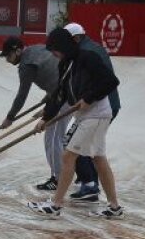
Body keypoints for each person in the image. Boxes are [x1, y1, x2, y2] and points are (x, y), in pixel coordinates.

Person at [28, 27, 123, 218]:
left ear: (63, 46)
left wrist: (88, 98)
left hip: (97, 113)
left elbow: (111, 81)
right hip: (85, 116)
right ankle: (114, 208)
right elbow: (60, 94)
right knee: (98, 158)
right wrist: (46, 118)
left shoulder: (88, 58)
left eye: (54, 49)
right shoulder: (65, 64)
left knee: (68, 155)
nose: (53, 54)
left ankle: (55, 205)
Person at [63, 22, 122, 203]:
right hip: (101, 104)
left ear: (75, 38)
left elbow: (104, 81)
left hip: (99, 105)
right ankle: (91, 183)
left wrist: (87, 99)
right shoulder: (91, 48)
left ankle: (89, 184)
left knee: (73, 144)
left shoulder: (87, 52)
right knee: (92, 150)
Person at [0, 36, 64, 190]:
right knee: (58, 139)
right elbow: (53, 73)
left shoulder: (26, 65)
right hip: (63, 91)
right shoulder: (38, 48)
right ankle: (69, 175)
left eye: (8, 56)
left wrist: (10, 117)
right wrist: (48, 99)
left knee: (53, 139)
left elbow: (22, 95)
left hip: (63, 96)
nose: (7, 60)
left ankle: (58, 179)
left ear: (18, 51)